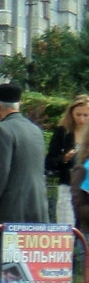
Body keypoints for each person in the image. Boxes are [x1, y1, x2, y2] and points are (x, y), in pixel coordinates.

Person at [0, 83, 49, 223]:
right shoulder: (35, 130)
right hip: (38, 210)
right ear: (18, 104)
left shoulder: (2, 130)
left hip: (11, 213)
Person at [45, 94, 89, 227]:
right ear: (71, 113)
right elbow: (49, 161)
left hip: (86, 187)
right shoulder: (63, 132)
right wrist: (64, 158)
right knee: (67, 228)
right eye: (78, 114)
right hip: (68, 185)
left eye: (86, 115)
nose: (82, 119)